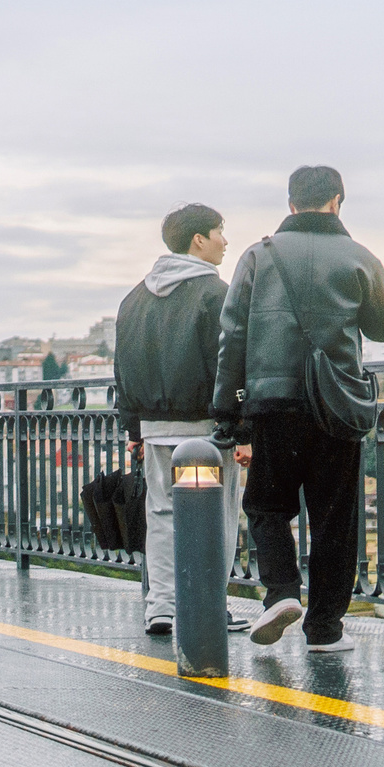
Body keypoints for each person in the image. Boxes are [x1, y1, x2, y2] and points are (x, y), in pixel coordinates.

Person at [213, 166, 384, 652]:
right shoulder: (360, 257)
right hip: (337, 404)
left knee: (266, 504)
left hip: (272, 404)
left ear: (291, 204)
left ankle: (281, 592)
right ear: (337, 201)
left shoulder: (258, 255)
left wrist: (226, 412)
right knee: (335, 518)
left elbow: (232, 336)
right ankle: (325, 629)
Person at [114, 203, 242, 637]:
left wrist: (134, 428)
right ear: (198, 240)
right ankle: (209, 605)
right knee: (216, 516)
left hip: (155, 430)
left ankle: (162, 607)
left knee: (163, 515)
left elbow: (122, 368)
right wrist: (239, 425)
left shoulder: (135, 298)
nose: (225, 241)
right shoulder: (216, 294)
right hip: (207, 430)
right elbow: (229, 365)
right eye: (220, 232)